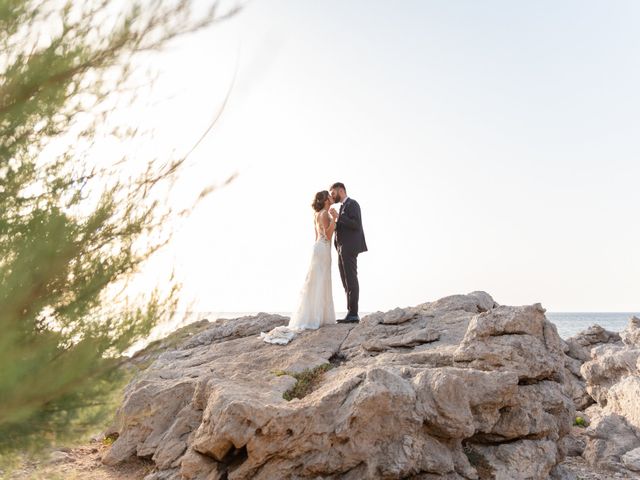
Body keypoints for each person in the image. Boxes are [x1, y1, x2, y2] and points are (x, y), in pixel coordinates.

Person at [261, 190, 336, 344]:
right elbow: (328, 236)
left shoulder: (317, 214)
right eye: (329, 195)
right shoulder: (324, 214)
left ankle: (316, 316)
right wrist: (335, 219)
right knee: (321, 280)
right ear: (325, 199)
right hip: (323, 248)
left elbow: (317, 236)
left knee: (317, 280)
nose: (331, 196)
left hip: (318, 248)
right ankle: (317, 318)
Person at [329, 182, 367, 323]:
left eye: (333, 193)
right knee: (345, 280)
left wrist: (339, 217)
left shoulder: (353, 204)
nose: (332, 196)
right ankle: (350, 312)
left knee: (351, 279)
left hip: (350, 247)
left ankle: (353, 313)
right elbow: (342, 228)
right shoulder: (343, 207)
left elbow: (356, 224)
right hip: (341, 249)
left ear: (341, 191)